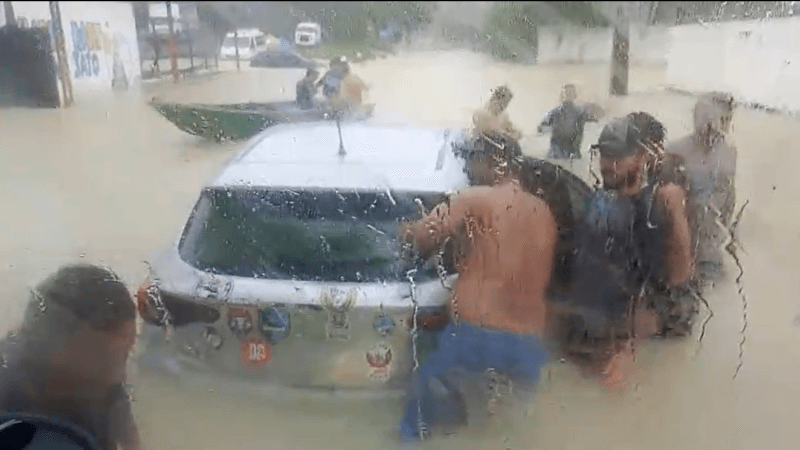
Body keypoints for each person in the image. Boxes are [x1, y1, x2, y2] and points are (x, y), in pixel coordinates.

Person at [397, 135, 556, 442]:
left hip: (475, 338)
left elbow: (423, 240)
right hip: (529, 345)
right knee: (514, 432)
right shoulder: (544, 212)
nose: (468, 167)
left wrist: (405, 230)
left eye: (472, 160)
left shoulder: (474, 199)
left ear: (492, 163)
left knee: (419, 424)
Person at [550, 113, 695, 388]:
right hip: (589, 326)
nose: (608, 165)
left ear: (640, 156)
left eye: (618, 157)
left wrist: (628, 348)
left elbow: (673, 281)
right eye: (604, 155)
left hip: (633, 333)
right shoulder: (598, 201)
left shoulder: (656, 208)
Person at [0, 264, 141, 450]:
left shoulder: (105, 388)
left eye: (125, 356)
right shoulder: (6, 381)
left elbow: (131, 442)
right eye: (111, 358)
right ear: (55, 347)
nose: (120, 376)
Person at [666, 92, 737, 281]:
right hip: (683, 240)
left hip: (710, 245)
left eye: (721, 121)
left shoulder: (727, 151)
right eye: (706, 120)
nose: (711, 127)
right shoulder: (676, 150)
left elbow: (728, 200)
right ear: (696, 118)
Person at [537, 84, 601, 159]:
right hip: (557, 155)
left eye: (570, 94)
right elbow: (541, 128)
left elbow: (596, 119)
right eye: (565, 94)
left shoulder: (581, 112)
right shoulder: (554, 113)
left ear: (574, 96)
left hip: (570, 155)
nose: (567, 96)